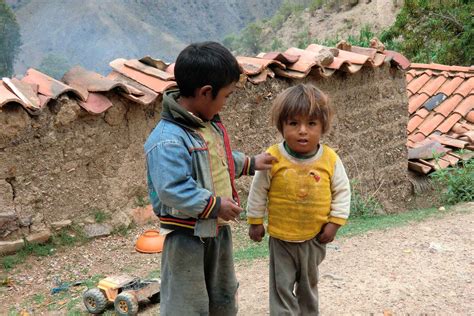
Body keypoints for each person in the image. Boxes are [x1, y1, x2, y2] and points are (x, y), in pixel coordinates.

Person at [144, 41, 276, 316]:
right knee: (186, 304)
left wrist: (251, 163)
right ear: (206, 93)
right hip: (186, 237)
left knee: (223, 297)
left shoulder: (206, 125)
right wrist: (216, 205)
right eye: (226, 96)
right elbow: (172, 188)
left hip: (216, 232)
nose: (226, 103)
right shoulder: (167, 140)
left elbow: (217, 160)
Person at [246, 83, 351, 315]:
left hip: (314, 238)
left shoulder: (330, 159)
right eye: (294, 123)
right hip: (281, 239)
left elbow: (342, 192)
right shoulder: (273, 157)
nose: (302, 130)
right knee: (281, 287)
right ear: (281, 126)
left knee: (308, 286)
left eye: (311, 123)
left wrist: (334, 224)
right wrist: (255, 222)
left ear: (323, 127)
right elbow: (258, 191)